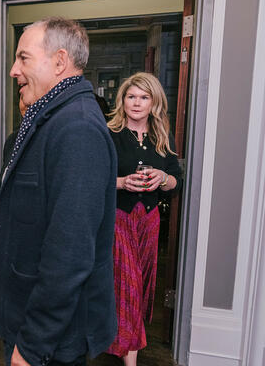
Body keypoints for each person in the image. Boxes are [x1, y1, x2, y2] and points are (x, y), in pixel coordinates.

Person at [0, 17, 118, 366]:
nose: (13, 70)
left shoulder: (76, 129)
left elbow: (70, 253)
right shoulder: (49, 118)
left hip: (49, 339)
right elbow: (43, 212)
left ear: (59, 61)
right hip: (28, 320)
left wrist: (33, 345)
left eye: (23, 58)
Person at [105, 72, 181, 366]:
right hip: (117, 219)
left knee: (142, 285)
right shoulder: (108, 133)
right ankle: (130, 360)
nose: (137, 103)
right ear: (122, 100)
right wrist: (122, 182)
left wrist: (164, 177)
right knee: (129, 285)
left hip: (149, 222)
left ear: (154, 102)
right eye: (131, 96)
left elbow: (177, 179)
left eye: (144, 97)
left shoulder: (161, 135)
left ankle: (120, 342)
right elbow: (90, 177)